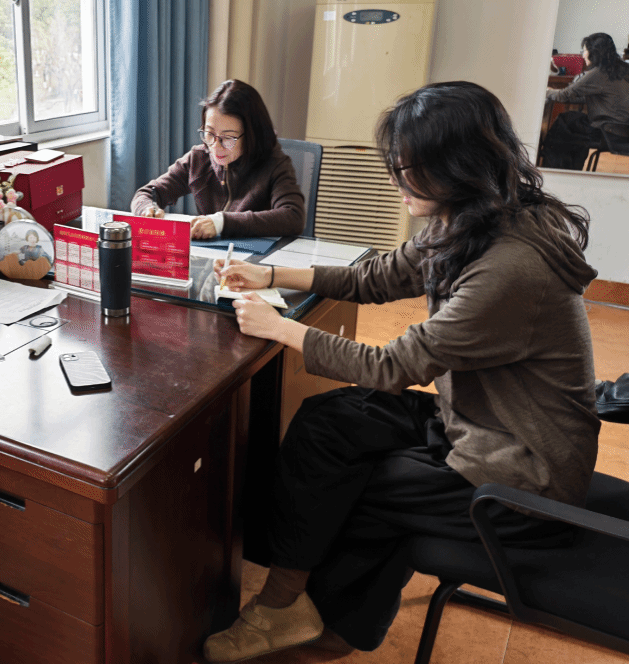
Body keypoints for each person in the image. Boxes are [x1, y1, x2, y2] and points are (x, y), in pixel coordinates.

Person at [204, 81, 599, 662]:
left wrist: (280, 327)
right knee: (326, 422)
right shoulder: (474, 218)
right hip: (475, 420)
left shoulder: (510, 267)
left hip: (520, 472)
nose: (397, 180)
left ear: (458, 166)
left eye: (409, 168)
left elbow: (393, 365)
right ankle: (296, 601)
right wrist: (273, 276)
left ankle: (308, 617)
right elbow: (378, 275)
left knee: (362, 482)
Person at [130, 79, 306, 240]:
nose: (215, 147)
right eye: (209, 133)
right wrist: (147, 209)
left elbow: (293, 216)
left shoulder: (275, 164)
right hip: (214, 255)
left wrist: (222, 222)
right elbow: (147, 193)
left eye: (228, 138)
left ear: (251, 135)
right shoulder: (198, 158)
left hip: (255, 260)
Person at [542, 32, 629, 169]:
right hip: (623, 132)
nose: (583, 55)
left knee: (565, 121)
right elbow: (599, 97)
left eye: (585, 51)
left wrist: (546, 91)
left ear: (594, 52)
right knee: (574, 123)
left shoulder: (599, 72)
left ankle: (554, 168)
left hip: (608, 132)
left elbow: (564, 95)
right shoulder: (623, 68)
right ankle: (569, 168)